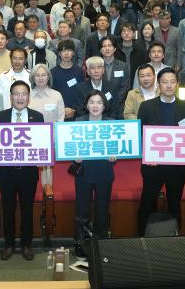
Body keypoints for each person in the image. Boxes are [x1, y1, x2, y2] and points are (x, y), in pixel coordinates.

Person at [137, 68, 185, 234]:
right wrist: (146, 155)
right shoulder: (146, 106)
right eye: (165, 82)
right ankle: (142, 237)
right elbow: (140, 135)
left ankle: (175, 240)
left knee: (175, 204)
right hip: (152, 166)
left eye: (172, 82)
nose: (169, 85)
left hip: (177, 168)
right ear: (158, 85)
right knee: (147, 203)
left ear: (177, 84)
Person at [0, 80, 43, 260]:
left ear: (29, 97)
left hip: (28, 173)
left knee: (27, 209)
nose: (20, 97)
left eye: (24, 94)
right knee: (8, 209)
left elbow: (41, 143)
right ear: (11, 97)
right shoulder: (0, 116)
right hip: (6, 172)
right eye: (16, 94)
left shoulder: (37, 117)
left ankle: (26, 244)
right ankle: (9, 245)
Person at [72, 90, 115, 257]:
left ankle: (100, 244)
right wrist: (75, 157)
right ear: (86, 105)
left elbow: (119, 146)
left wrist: (115, 156)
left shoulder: (112, 124)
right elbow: (70, 146)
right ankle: (81, 245)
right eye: (91, 102)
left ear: (104, 106)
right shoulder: (78, 122)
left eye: (99, 102)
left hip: (104, 171)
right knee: (82, 211)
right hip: (84, 171)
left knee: (102, 210)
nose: (95, 106)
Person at [51, 40, 84, 121]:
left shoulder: (79, 71)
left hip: (76, 113)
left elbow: (82, 93)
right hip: (57, 112)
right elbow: (52, 94)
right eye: (63, 51)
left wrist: (74, 110)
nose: (66, 53)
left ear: (73, 53)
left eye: (69, 50)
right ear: (59, 53)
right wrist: (62, 109)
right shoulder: (53, 72)